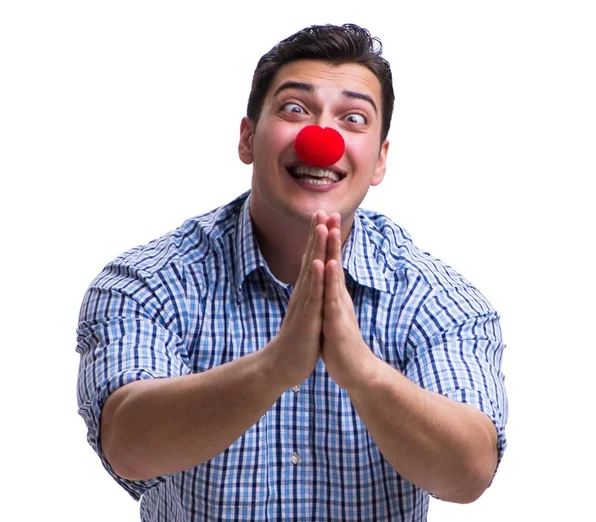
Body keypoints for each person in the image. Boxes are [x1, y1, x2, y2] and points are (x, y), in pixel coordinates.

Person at [76, 23, 508, 521]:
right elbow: (128, 447)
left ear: (380, 161)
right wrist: (273, 368)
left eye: (353, 118)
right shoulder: (146, 283)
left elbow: (470, 472)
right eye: (295, 109)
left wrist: (364, 373)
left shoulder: (438, 299)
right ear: (247, 139)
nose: (319, 139)